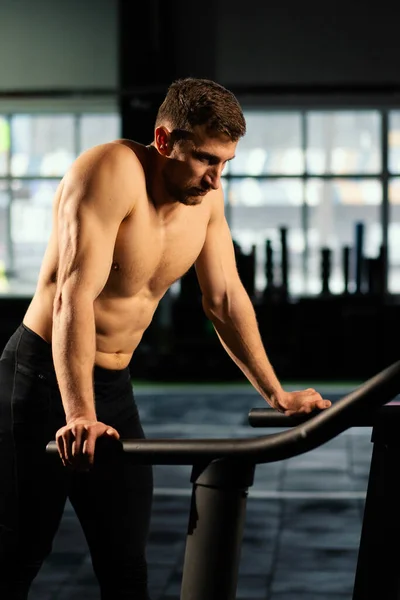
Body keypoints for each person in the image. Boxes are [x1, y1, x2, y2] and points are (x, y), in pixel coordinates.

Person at [0, 77, 331, 599]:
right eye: (203, 158)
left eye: (224, 163)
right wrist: (79, 414)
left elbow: (224, 299)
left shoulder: (206, 202)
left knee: (126, 563)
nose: (214, 179)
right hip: (42, 376)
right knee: (17, 556)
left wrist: (278, 394)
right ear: (163, 141)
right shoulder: (109, 172)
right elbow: (72, 297)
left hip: (113, 383)